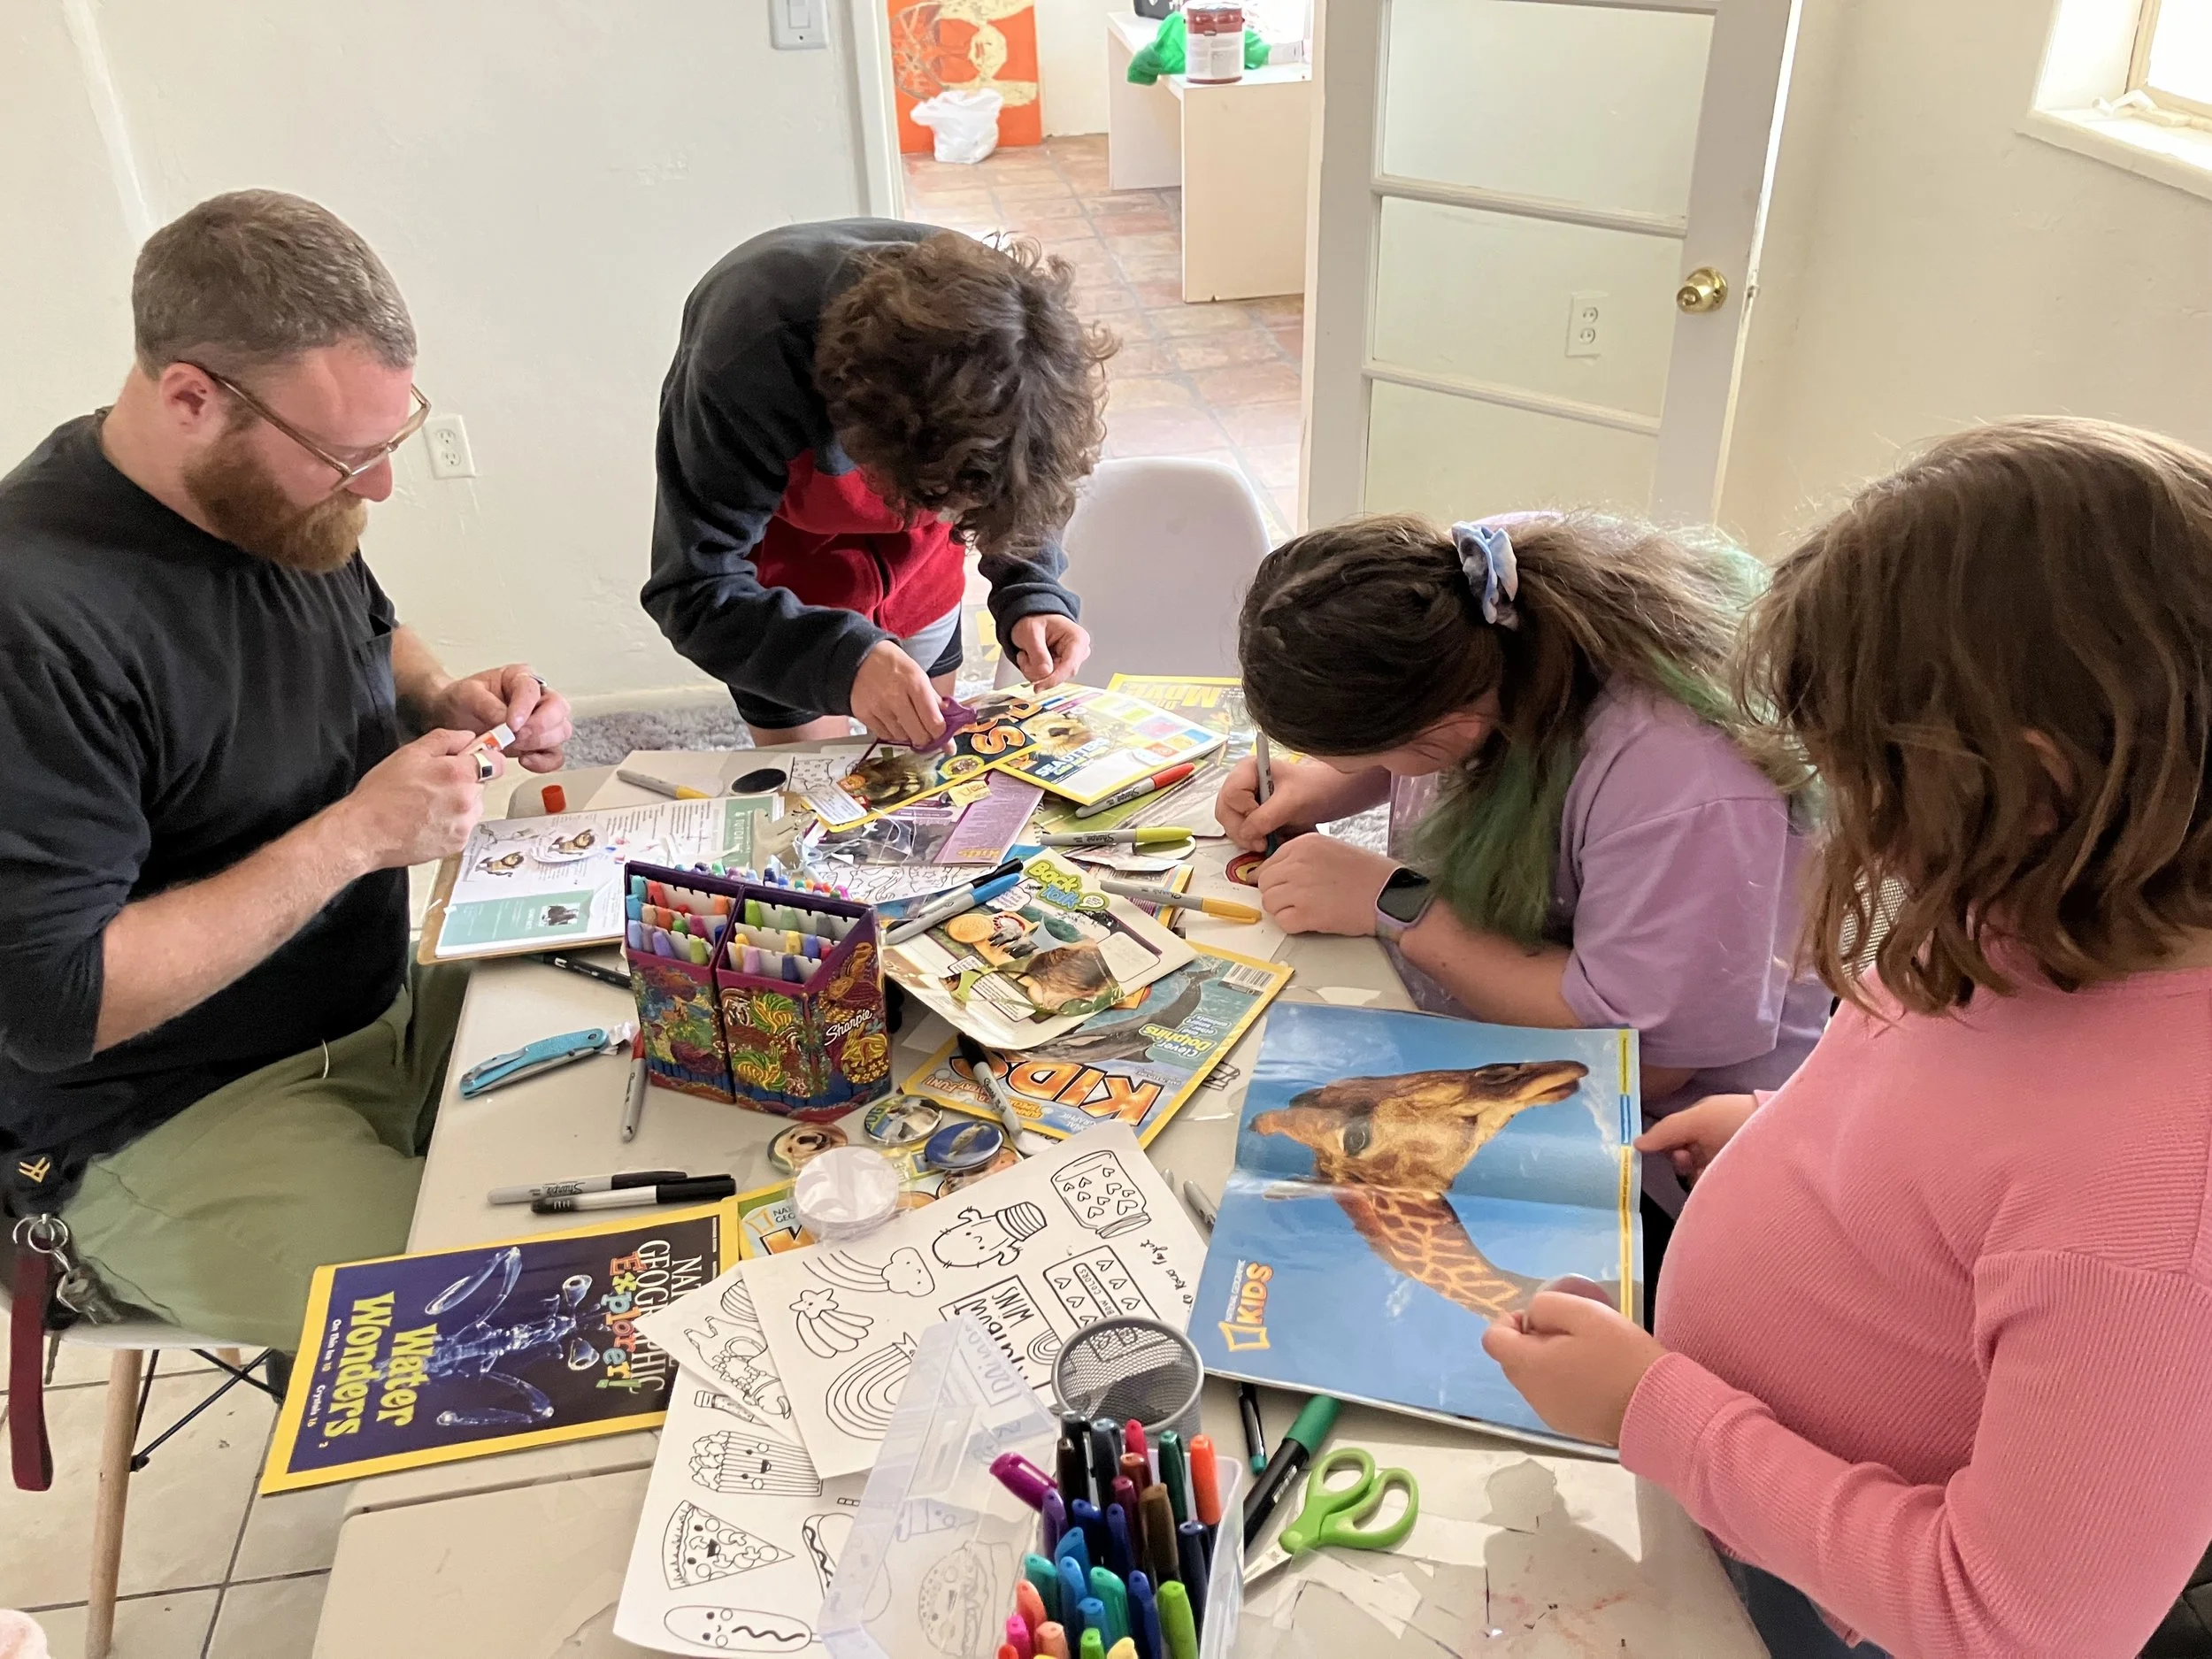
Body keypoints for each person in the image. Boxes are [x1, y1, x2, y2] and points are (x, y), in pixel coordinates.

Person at [1484, 419, 2212, 1658]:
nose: (1849, 828)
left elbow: (2011, 1620)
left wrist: (1655, 1408)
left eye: (1862, 784)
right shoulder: (2033, 905)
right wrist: (1782, 1137)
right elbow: (1957, 1128)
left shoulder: (2164, 1217)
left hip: (1822, 1607)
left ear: (2029, 786)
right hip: (1714, 1476)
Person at [0, 190, 571, 1352]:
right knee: (511, 1341)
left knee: (668, 1045)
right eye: (348, 456)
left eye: (390, 442)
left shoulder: (264, 497)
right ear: (191, 397)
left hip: (375, 1007)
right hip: (167, 1116)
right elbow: (57, 1003)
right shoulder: (37, 621)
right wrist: (356, 834)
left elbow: (368, 626)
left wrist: (437, 694)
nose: (377, 490)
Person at [1215, 512, 1826, 1274]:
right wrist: (1321, 783)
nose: (1370, 768)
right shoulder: (1476, 594)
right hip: (1495, 1035)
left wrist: (1397, 902)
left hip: (1671, 1151)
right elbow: (1425, 739)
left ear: (1455, 725)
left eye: (1368, 750)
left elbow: (1647, 1056)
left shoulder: (1686, 783)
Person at [643, 220, 1112, 750]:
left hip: (922, 581)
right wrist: (845, 663)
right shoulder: (744, 356)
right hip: (782, 593)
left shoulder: (1019, 339)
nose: (947, 515)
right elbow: (692, 589)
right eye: (942, 500)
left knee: (932, 776)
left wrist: (1032, 590)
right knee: (814, 798)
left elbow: (1025, 485)